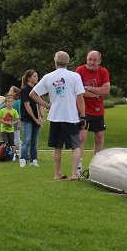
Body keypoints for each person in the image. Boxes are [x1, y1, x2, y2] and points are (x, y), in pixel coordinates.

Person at [31, 51, 87, 180]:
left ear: (55, 62)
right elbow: (80, 98)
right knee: (76, 146)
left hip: (55, 116)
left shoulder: (48, 77)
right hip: (70, 116)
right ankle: (74, 174)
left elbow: (33, 94)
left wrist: (47, 105)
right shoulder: (75, 76)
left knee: (57, 146)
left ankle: (57, 173)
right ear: (68, 62)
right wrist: (83, 117)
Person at [76, 50, 111, 174]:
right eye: (89, 59)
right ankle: (78, 166)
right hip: (83, 109)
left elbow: (106, 90)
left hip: (98, 110)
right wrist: (97, 92)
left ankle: (96, 166)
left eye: (94, 60)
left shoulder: (103, 72)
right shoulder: (80, 70)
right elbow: (79, 91)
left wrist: (89, 88)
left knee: (99, 137)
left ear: (99, 61)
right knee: (82, 137)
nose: (91, 62)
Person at [19, 69, 43, 168]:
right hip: (28, 118)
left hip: (37, 118)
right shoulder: (25, 90)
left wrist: (41, 117)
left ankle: (34, 159)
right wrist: (34, 118)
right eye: (34, 76)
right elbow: (27, 106)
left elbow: (40, 104)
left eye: (37, 76)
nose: (36, 78)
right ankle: (23, 159)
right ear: (29, 78)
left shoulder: (37, 90)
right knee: (27, 139)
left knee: (34, 141)